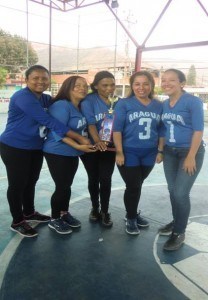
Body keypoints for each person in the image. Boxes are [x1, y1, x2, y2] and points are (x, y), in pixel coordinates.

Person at [0, 65, 90, 238]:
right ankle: (17, 221)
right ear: (26, 80)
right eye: (35, 78)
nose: (40, 81)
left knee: (31, 181)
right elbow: (49, 121)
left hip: (35, 147)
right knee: (18, 184)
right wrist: (79, 139)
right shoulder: (23, 97)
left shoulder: (45, 99)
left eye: (44, 78)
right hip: (14, 146)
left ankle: (29, 212)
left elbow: (61, 101)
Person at [158, 68, 205, 251]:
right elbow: (162, 129)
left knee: (180, 193)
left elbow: (198, 130)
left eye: (172, 80)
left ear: (182, 83)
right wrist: (161, 150)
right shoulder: (165, 104)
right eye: (164, 80)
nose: (166, 83)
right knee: (172, 190)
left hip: (189, 152)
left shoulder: (192, 102)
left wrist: (191, 156)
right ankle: (176, 221)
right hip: (170, 152)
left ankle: (179, 232)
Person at [113, 71, 164, 235]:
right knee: (133, 185)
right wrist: (119, 152)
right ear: (132, 86)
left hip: (149, 152)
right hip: (129, 152)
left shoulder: (158, 105)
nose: (141, 87)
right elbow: (117, 130)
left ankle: (132, 212)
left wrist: (160, 150)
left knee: (137, 185)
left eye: (145, 84)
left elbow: (161, 130)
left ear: (151, 85)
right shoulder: (124, 103)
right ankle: (131, 217)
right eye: (137, 84)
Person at [43, 76, 96, 234]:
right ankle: (54, 219)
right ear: (68, 88)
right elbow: (58, 131)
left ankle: (64, 213)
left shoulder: (80, 107)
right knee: (62, 186)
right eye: (77, 86)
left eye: (85, 86)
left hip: (73, 152)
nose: (82, 88)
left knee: (67, 185)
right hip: (57, 150)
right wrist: (79, 145)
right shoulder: (61, 106)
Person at [80, 71, 118, 227]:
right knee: (93, 178)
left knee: (106, 179)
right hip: (92, 147)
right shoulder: (88, 101)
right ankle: (95, 208)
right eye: (105, 85)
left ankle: (105, 211)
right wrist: (98, 141)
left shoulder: (116, 102)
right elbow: (90, 124)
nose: (109, 88)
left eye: (112, 85)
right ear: (96, 86)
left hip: (109, 148)